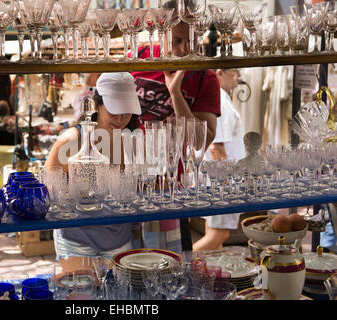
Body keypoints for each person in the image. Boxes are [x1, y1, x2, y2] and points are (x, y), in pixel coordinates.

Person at [130, 0, 221, 253]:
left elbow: (201, 142)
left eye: (192, 39)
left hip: (171, 189)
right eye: (178, 40)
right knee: (127, 264)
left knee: (170, 268)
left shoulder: (205, 77)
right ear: (162, 30)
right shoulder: (137, 61)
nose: (186, 48)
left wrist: (175, 93)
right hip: (130, 183)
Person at [45, 72, 141, 260]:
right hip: (76, 240)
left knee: (118, 289)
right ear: (97, 105)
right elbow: (47, 189)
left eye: (126, 112)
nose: (120, 119)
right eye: (114, 111)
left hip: (119, 238)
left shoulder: (131, 140)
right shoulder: (72, 140)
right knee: (81, 290)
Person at [195, 68, 245, 252]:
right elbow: (216, 146)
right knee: (218, 235)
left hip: (217, 180)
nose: (238, 75)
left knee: (215, 239)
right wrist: (227, 183)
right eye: (234, 70)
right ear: (219, 73)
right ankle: (178, 266)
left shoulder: (221, 98)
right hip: (221, 181)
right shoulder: (220, 101)